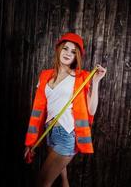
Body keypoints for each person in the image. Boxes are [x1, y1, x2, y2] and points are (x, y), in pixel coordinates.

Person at [24, 32, 107, 187]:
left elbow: (91, 110)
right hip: (49, 133)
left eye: (73, 51)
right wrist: (30, 142)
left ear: (77, 57)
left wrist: (95, 82)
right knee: (63, 179)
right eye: (66, 48)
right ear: (59, 50)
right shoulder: (45, 76)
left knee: (43, 182)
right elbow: (38, 111)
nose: (68, 53)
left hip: (66, 134)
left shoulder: (81, 77)